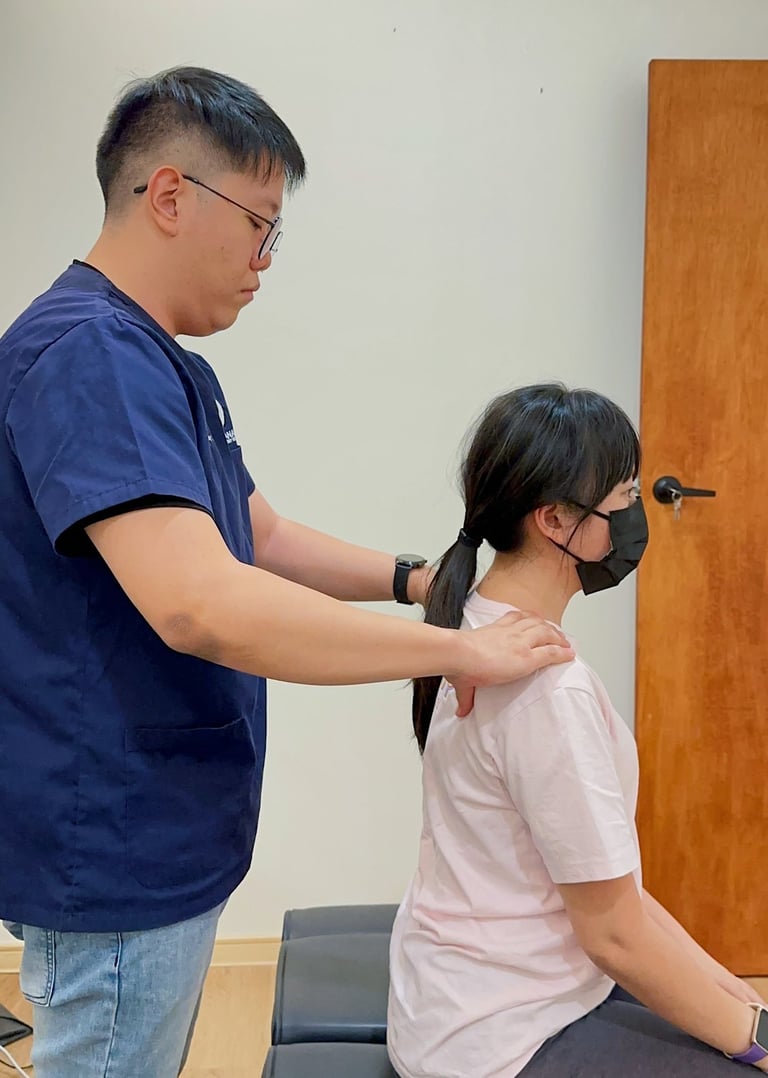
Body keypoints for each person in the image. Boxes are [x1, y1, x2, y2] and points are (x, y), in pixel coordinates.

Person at [0, 67, 574, 1077]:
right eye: (260, 224)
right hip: (118, 842)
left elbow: (255, 536)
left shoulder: (164, 361)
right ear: (170, 196)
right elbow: (201, 601)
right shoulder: (91, 354)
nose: (267, 259)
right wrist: (455, 647)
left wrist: (418, 576)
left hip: (161, 829)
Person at [388, 383, 768, 1077]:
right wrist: (750, 1039)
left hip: (460, 997)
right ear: (557, 520)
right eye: (623, 496)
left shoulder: (470, 625)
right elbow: (616, 936)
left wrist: (730, 991)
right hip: (502, 1036)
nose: (633, 513)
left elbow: (611, 892)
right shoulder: (546, 692)